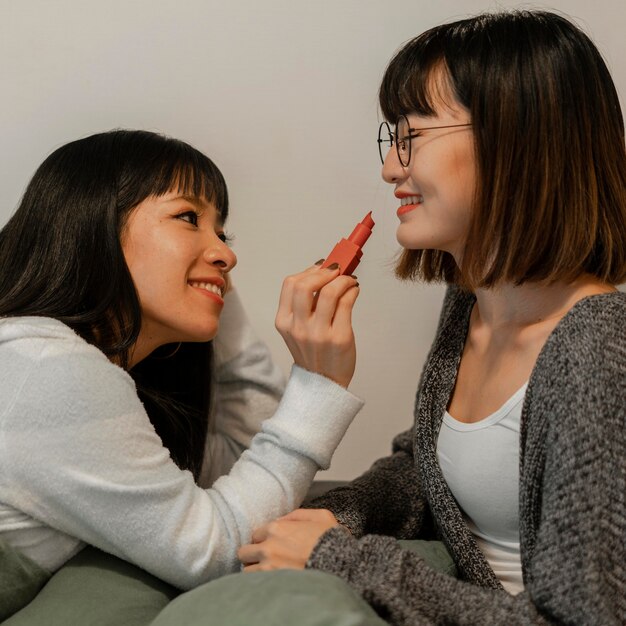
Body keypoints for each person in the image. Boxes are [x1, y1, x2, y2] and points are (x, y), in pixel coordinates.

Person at [238, 11, 626, 625]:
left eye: (412, 136)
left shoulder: (599, 350)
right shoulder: (470, 305)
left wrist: (341, 560)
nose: (391, 167)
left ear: (516, 138)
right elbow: (433, 467)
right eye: (390, 139)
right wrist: (341, 516)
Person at [0, 129, 363, 591]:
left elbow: (238, 468)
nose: (228, 254)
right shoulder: (49, 367)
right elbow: (218, 550)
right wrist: (318, 387)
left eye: (222, 232)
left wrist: (207, 285)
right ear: (92, 224)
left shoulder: (88, 373)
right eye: (188, 217)